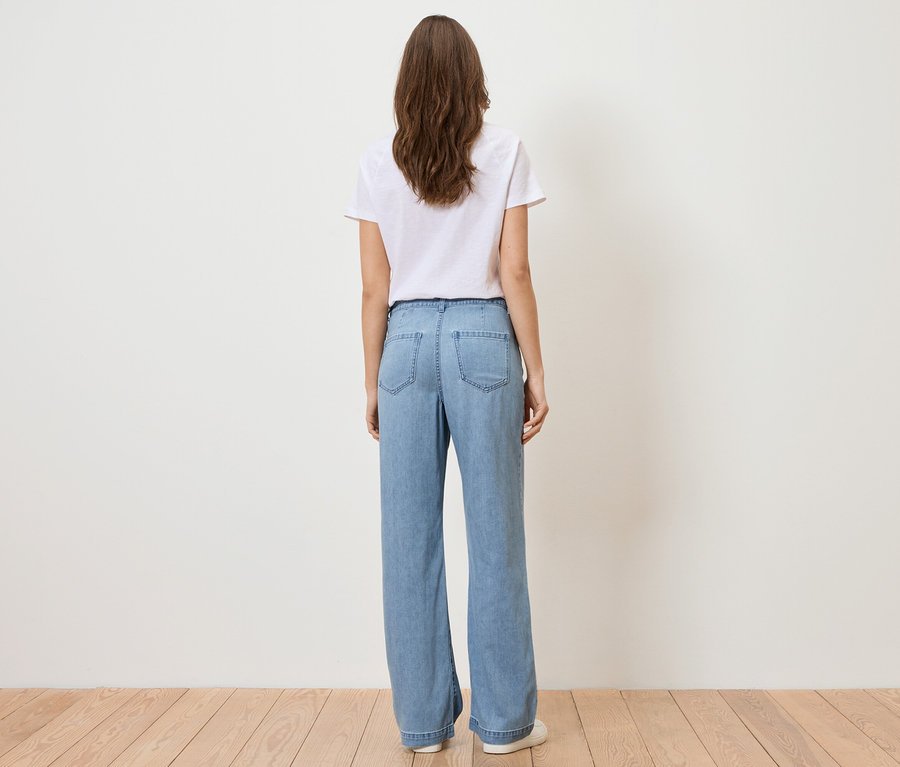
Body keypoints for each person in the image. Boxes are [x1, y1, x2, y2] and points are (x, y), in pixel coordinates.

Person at [343, 14, 550, 756]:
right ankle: (504, 725)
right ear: (472, 77)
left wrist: (373, 379)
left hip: (402, 345)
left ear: (406, 82)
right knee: (496, 537)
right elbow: (515, 271)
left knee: (408, 543)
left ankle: (423, 727)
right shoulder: (505, 150)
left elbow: (375, 288)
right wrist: (535, 368)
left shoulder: (376, 162)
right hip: (483, 339)